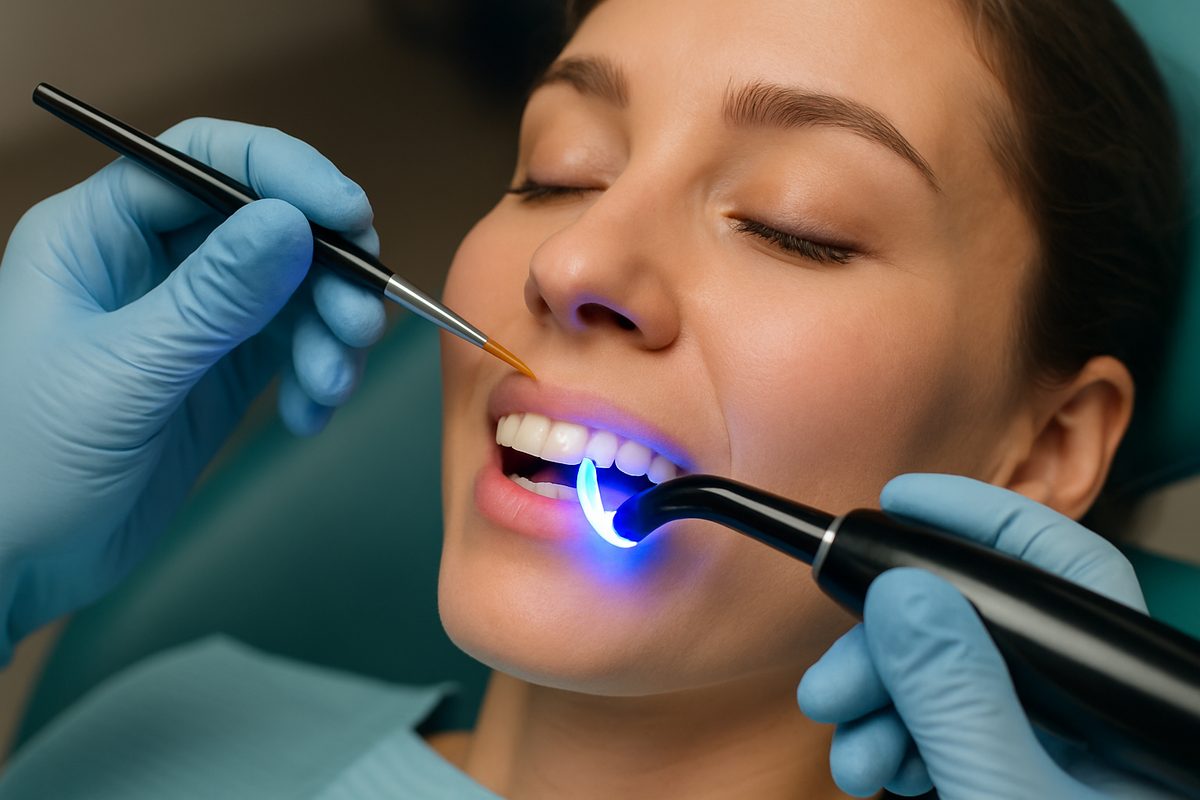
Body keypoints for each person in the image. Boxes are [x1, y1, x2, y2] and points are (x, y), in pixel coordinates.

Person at [0, 0, 1185, 797]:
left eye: (792, 223)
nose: (571, 264)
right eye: (558, 170)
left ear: (1046, 444)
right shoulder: (172, 727)